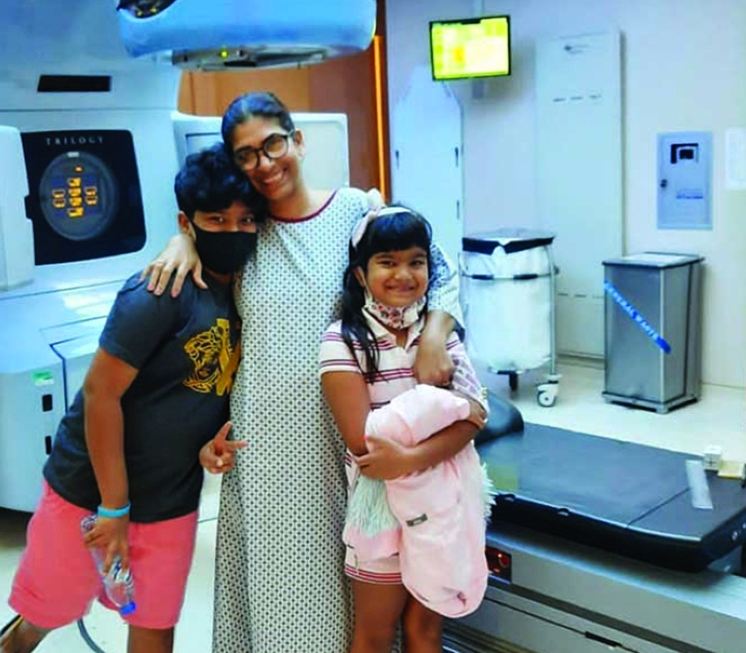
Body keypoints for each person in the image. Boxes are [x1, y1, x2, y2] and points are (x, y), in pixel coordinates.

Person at [141, 92, 464, 652]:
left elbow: (436, 267)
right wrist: (183, 240)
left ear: (298, 141)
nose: (265, 164)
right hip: (265, 453)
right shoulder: (242, 234)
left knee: (355, 593)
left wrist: (435, 333)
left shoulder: (356, 212)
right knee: (277, 597)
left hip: (348, 440)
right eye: (246, 155)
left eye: (273, 144)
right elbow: (211, 331)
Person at [0, 143, 259, 653]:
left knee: (154, 625)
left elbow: (197, 389)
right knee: (47, 612)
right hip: (86, 495)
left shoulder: (248, 295)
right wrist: (113, 509)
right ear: (187, 223)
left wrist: (209, 447)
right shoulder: (159, 292)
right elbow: (100, 395)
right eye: (217, 219)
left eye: (246, 220)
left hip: (170, 502)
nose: (234, 231)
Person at [319, 206, 491, 653]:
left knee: (426, 630)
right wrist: (444, 417)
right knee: (374, 635)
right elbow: (366, 443)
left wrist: (411, 457)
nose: (403, 274)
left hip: (441, 505)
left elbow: (476, 413)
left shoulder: (439, 335)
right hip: (381, 511)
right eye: (387, 262)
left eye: (416, 261)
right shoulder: (343, 340)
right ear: (361, 274)